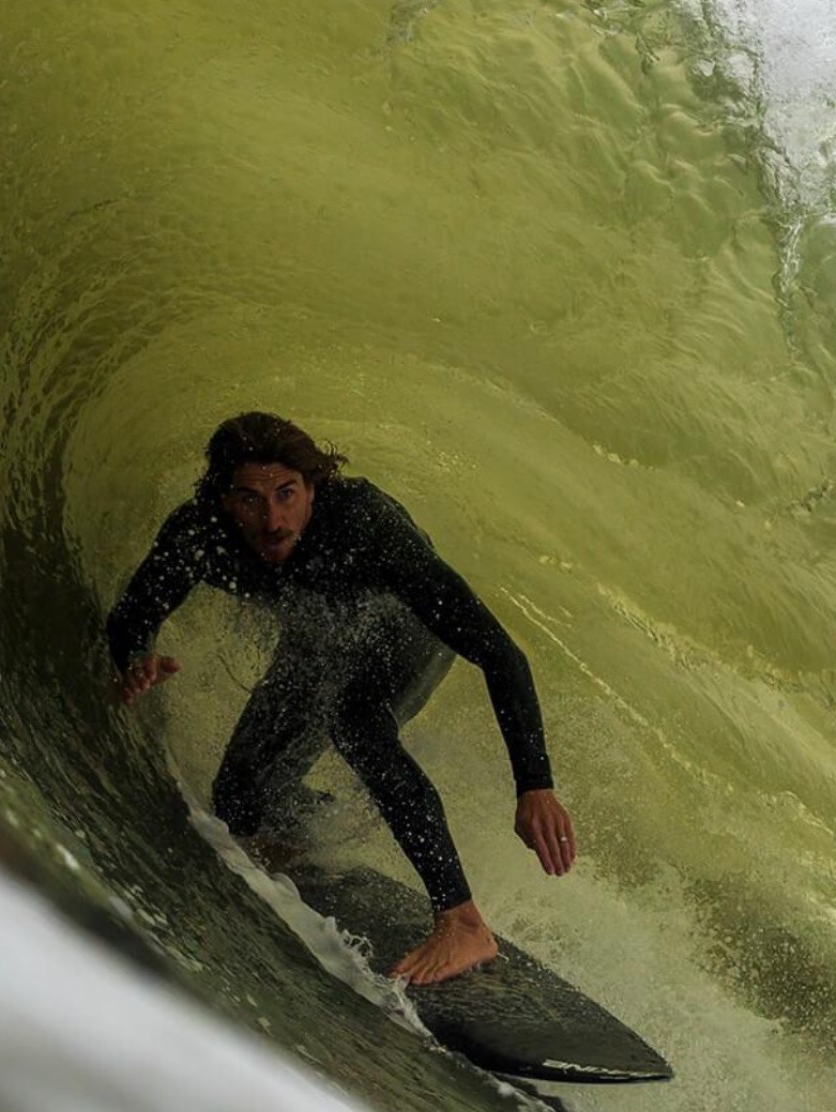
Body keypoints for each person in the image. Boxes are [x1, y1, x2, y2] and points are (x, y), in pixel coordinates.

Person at [106, 412, 576, 985]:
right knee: (239, 799)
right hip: (318, 638)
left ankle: (463, 923)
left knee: (356, 722)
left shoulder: (364, 526)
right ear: (225, 500)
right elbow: (134, 615)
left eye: (287, 495)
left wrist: (535, 785)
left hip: (403, 638)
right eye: (251, 501)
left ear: (313, 486)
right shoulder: (201, 534)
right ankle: (316, 837)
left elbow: (500, 653)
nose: (273, 521)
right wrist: (136, 659)